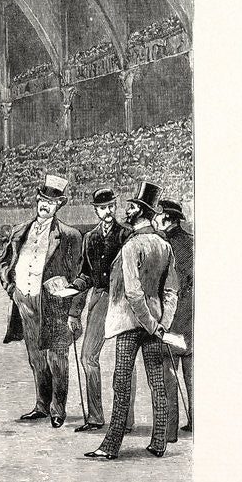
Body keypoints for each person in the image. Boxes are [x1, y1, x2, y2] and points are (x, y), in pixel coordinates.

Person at [86, 182, 179, 460]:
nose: (127, 209)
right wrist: (162, 323)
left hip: (130, 324)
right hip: (156, 325)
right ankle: (159, 442)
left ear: (141, 211)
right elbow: (171, 291)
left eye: (132, 206)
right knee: (156, 382)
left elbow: (133, 292)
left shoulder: (132, 245)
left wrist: (150, 323)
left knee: (121, 382)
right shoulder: (164, 244)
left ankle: (110, 446)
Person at [0, 174, 83, 428]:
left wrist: (74, 312)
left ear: (59, 205)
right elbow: (4, 263)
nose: (45, 204)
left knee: (57, 359)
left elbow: (79, 275)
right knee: (36, 358)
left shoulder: (70, 236)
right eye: (43, 199)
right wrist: (10, 287)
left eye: (52, 201)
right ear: (37, 200)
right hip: (25, 302)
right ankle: (41, 405)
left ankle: (58, 409)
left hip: (55, 305)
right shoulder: (20, 231)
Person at [67, 188, 132, 432]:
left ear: (116, 206)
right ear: (95, 210)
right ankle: (95, 417)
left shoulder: (126, 234)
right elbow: (85, 273)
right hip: (99, 298)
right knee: (87, 357)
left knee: (125, 360)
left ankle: (125, 420)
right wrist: (74, 301)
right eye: (102, 208)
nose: (107, 212)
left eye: (111, 207)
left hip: (124, 300)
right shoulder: (90, 238)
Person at [156, 198, 193, 435]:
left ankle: (170, 429)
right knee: (192, 373)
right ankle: (197, 422)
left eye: (158, 215)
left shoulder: (166, 245)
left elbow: (169, 285)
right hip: (192, 318)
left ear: (166, 218)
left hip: (173, 318)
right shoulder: (192, 242)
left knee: (168, 372)